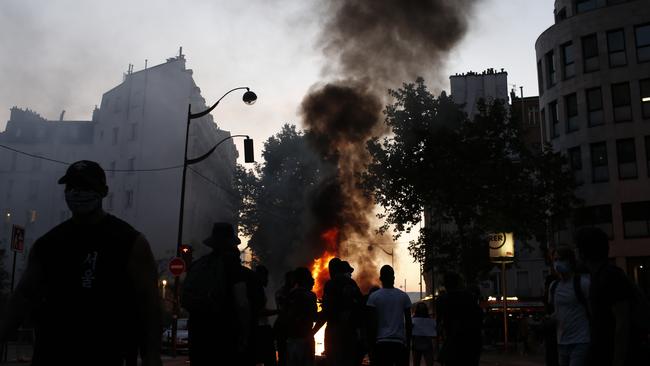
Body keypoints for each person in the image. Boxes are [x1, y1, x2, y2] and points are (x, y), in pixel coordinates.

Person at [0, 160, 162, 366]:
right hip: (53, 353)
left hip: (107, 354)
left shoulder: (129, 242)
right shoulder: (48, 244)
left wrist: (152, 356)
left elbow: (148, 303)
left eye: (85, 187)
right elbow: (23, 296)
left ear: (103, 191)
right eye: (71, 187)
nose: (77, 193)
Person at [574, 227, 647, 365]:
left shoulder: (609, 277)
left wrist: (618, 360)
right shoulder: (603, 276)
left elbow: (622, 322)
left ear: (583, 253)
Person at [182, 222, 251, 366]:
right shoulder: (232, 267)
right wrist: (244, 334)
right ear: (231, 244)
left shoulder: (198, 265)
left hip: (198, 336)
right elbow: (242, 303)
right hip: (224, 335)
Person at [548, 245, 590, 366]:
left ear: (570, 261)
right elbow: (558, 312)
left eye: (561, 259)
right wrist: (549, 319)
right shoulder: (554, 287)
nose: (557, 263)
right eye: (555, 260)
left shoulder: (583, 283)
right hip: (561, 342)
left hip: (581, 341)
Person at [366, 265, 412, 366]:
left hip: (381, 344)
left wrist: (371, 347)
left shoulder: (373, 297)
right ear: (393, 278)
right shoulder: (403, 296)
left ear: (381, 278)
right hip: (399, 343)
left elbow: (371, 324)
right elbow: (409, 323)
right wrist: (408, 345)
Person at [436, 272, 482, 366]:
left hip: (452, 341)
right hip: (470, 341)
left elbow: (439, 322)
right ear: (459, 283)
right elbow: (479, 315)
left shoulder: (442, 300)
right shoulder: (469, 297)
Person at [286, 267, 318, 366]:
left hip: (291, 338)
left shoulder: (290, 294)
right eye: (310, 277)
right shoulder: (310, 295)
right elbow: (314, 317)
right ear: (305, 279)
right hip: (305, 338)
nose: (313, 280)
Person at [253, 265, 279, 366]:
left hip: (260, 328)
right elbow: (260, 312)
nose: (267, 279)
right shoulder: (257, 289)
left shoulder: (257, 289)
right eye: (266, 276)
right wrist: (278, 311)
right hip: (261, 329)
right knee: (269, 359)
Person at [275, 270, 296, 366]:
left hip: (291, 327)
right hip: (283, 326)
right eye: (292, 279)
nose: (294, 281)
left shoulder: (294, 293)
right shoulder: (281, 292)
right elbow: (282, 305)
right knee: (283, 355)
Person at [411, 302, 436, 366]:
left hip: (417, 344)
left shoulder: (413, 320)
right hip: (426, 344)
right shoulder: (430, 320)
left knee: (417, 362)